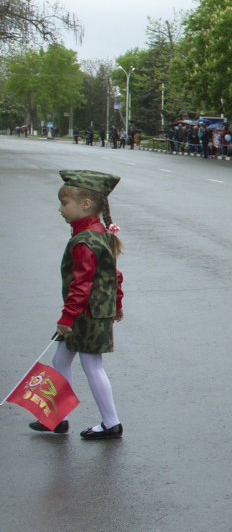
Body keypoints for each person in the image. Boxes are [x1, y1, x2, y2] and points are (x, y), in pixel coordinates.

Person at [30, 170, 126, 439]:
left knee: (92, 366)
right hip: (91, 313)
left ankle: (111, 423)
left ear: (85, 204)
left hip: (87, 315)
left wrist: (66, 319)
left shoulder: (85, 240)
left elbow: (81, 285)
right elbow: (113, 274)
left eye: (65, 203)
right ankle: (59, 417)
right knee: (60, 358)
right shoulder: (98, 233)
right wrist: (117, 303)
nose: (60, 209)